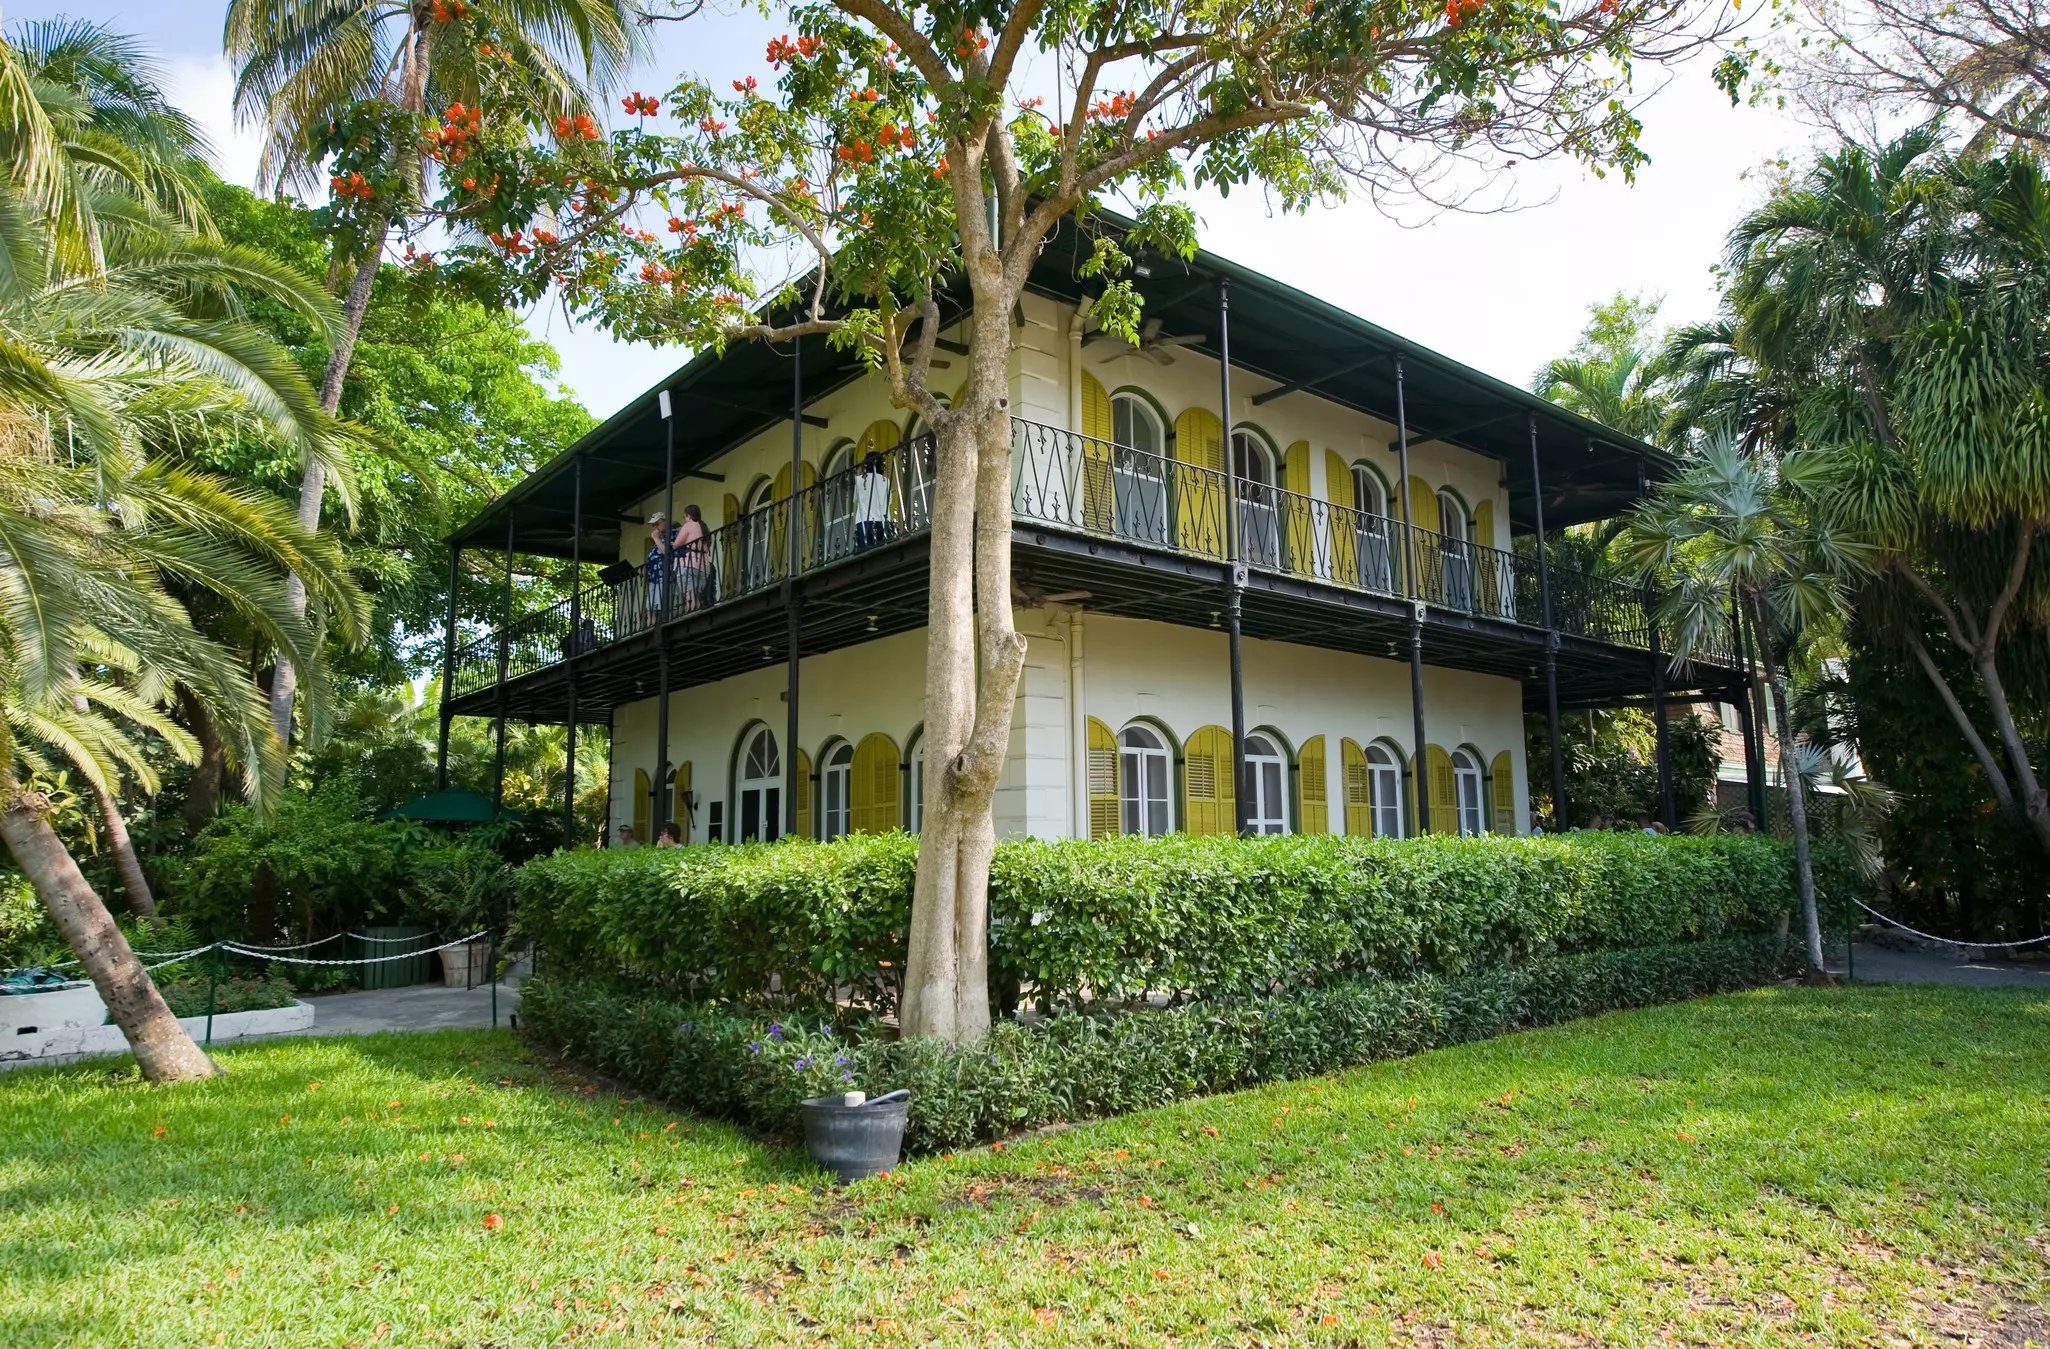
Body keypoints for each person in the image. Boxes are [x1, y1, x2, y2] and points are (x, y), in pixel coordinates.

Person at [673, 503, 710, 610]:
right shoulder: (703, 527)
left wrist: (673, 541)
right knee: (696, 595)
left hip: (689, 563)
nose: (684, 519)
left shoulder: (689, 525)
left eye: (684, 516)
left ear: (688, 515)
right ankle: (697, 613)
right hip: (703, 565)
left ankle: (691, 614)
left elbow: (677, 543)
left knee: (689, 595)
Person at [853, 452, 891, 547]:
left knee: (865, 554)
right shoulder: (886, 481)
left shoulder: (859, 480)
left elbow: (855, 500)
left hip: (864, 520)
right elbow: (889, 501)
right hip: (883, 520)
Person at [644, 512, 673, 617]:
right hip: (653, 578)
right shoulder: (659, 539)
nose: (655, 527)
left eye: (657, 523)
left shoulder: (672, 534)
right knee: (650, 608)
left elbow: (667, 552)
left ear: (665, 522)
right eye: (653, 525)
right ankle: (650, 628)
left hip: (664, 577)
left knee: (662, 607)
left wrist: (656, 539)